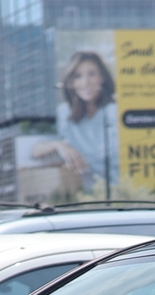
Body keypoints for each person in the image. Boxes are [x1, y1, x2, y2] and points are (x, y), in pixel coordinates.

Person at [49, 50, 118, 198]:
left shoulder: (114, 112)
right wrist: (59, 145)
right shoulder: (64, 113)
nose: (85, 82)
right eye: (78, 76)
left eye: (91, 74)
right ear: (71, 82)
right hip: (81, 198)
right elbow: (34, 149)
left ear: (102, 78)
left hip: (121, 195)